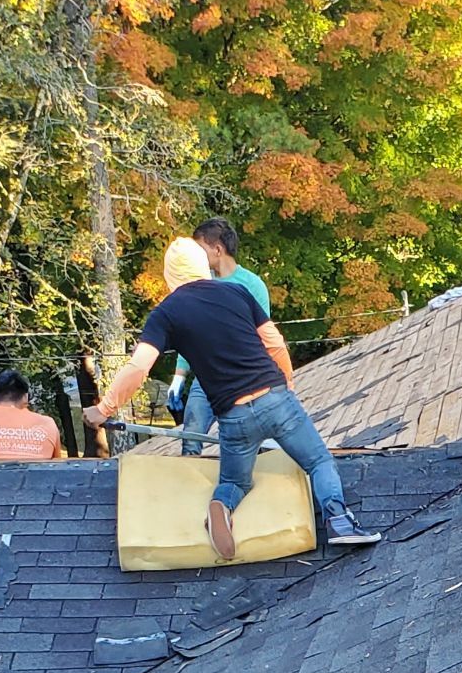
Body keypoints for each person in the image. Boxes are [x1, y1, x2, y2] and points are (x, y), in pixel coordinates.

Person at [85, 237, 378, 555]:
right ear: (202, 266)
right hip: (274, 398)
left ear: (170, 276)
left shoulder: (165, 314)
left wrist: (104, 408)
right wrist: (287, 387)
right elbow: (275, 343)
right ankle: (340, 522)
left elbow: (139, 367)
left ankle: (221, 507)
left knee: (236, 482)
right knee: (319, 461)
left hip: (233, 417)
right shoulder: (237, 291)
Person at [176, 217, 281, 454]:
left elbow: (264, 337)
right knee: (190, 437)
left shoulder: (251, 285)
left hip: (241, 379)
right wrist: (178, 376)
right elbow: (191, 334)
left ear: (217, 249)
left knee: (247, 440)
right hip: (205, 378)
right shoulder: (200, 284)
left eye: (200, 250)